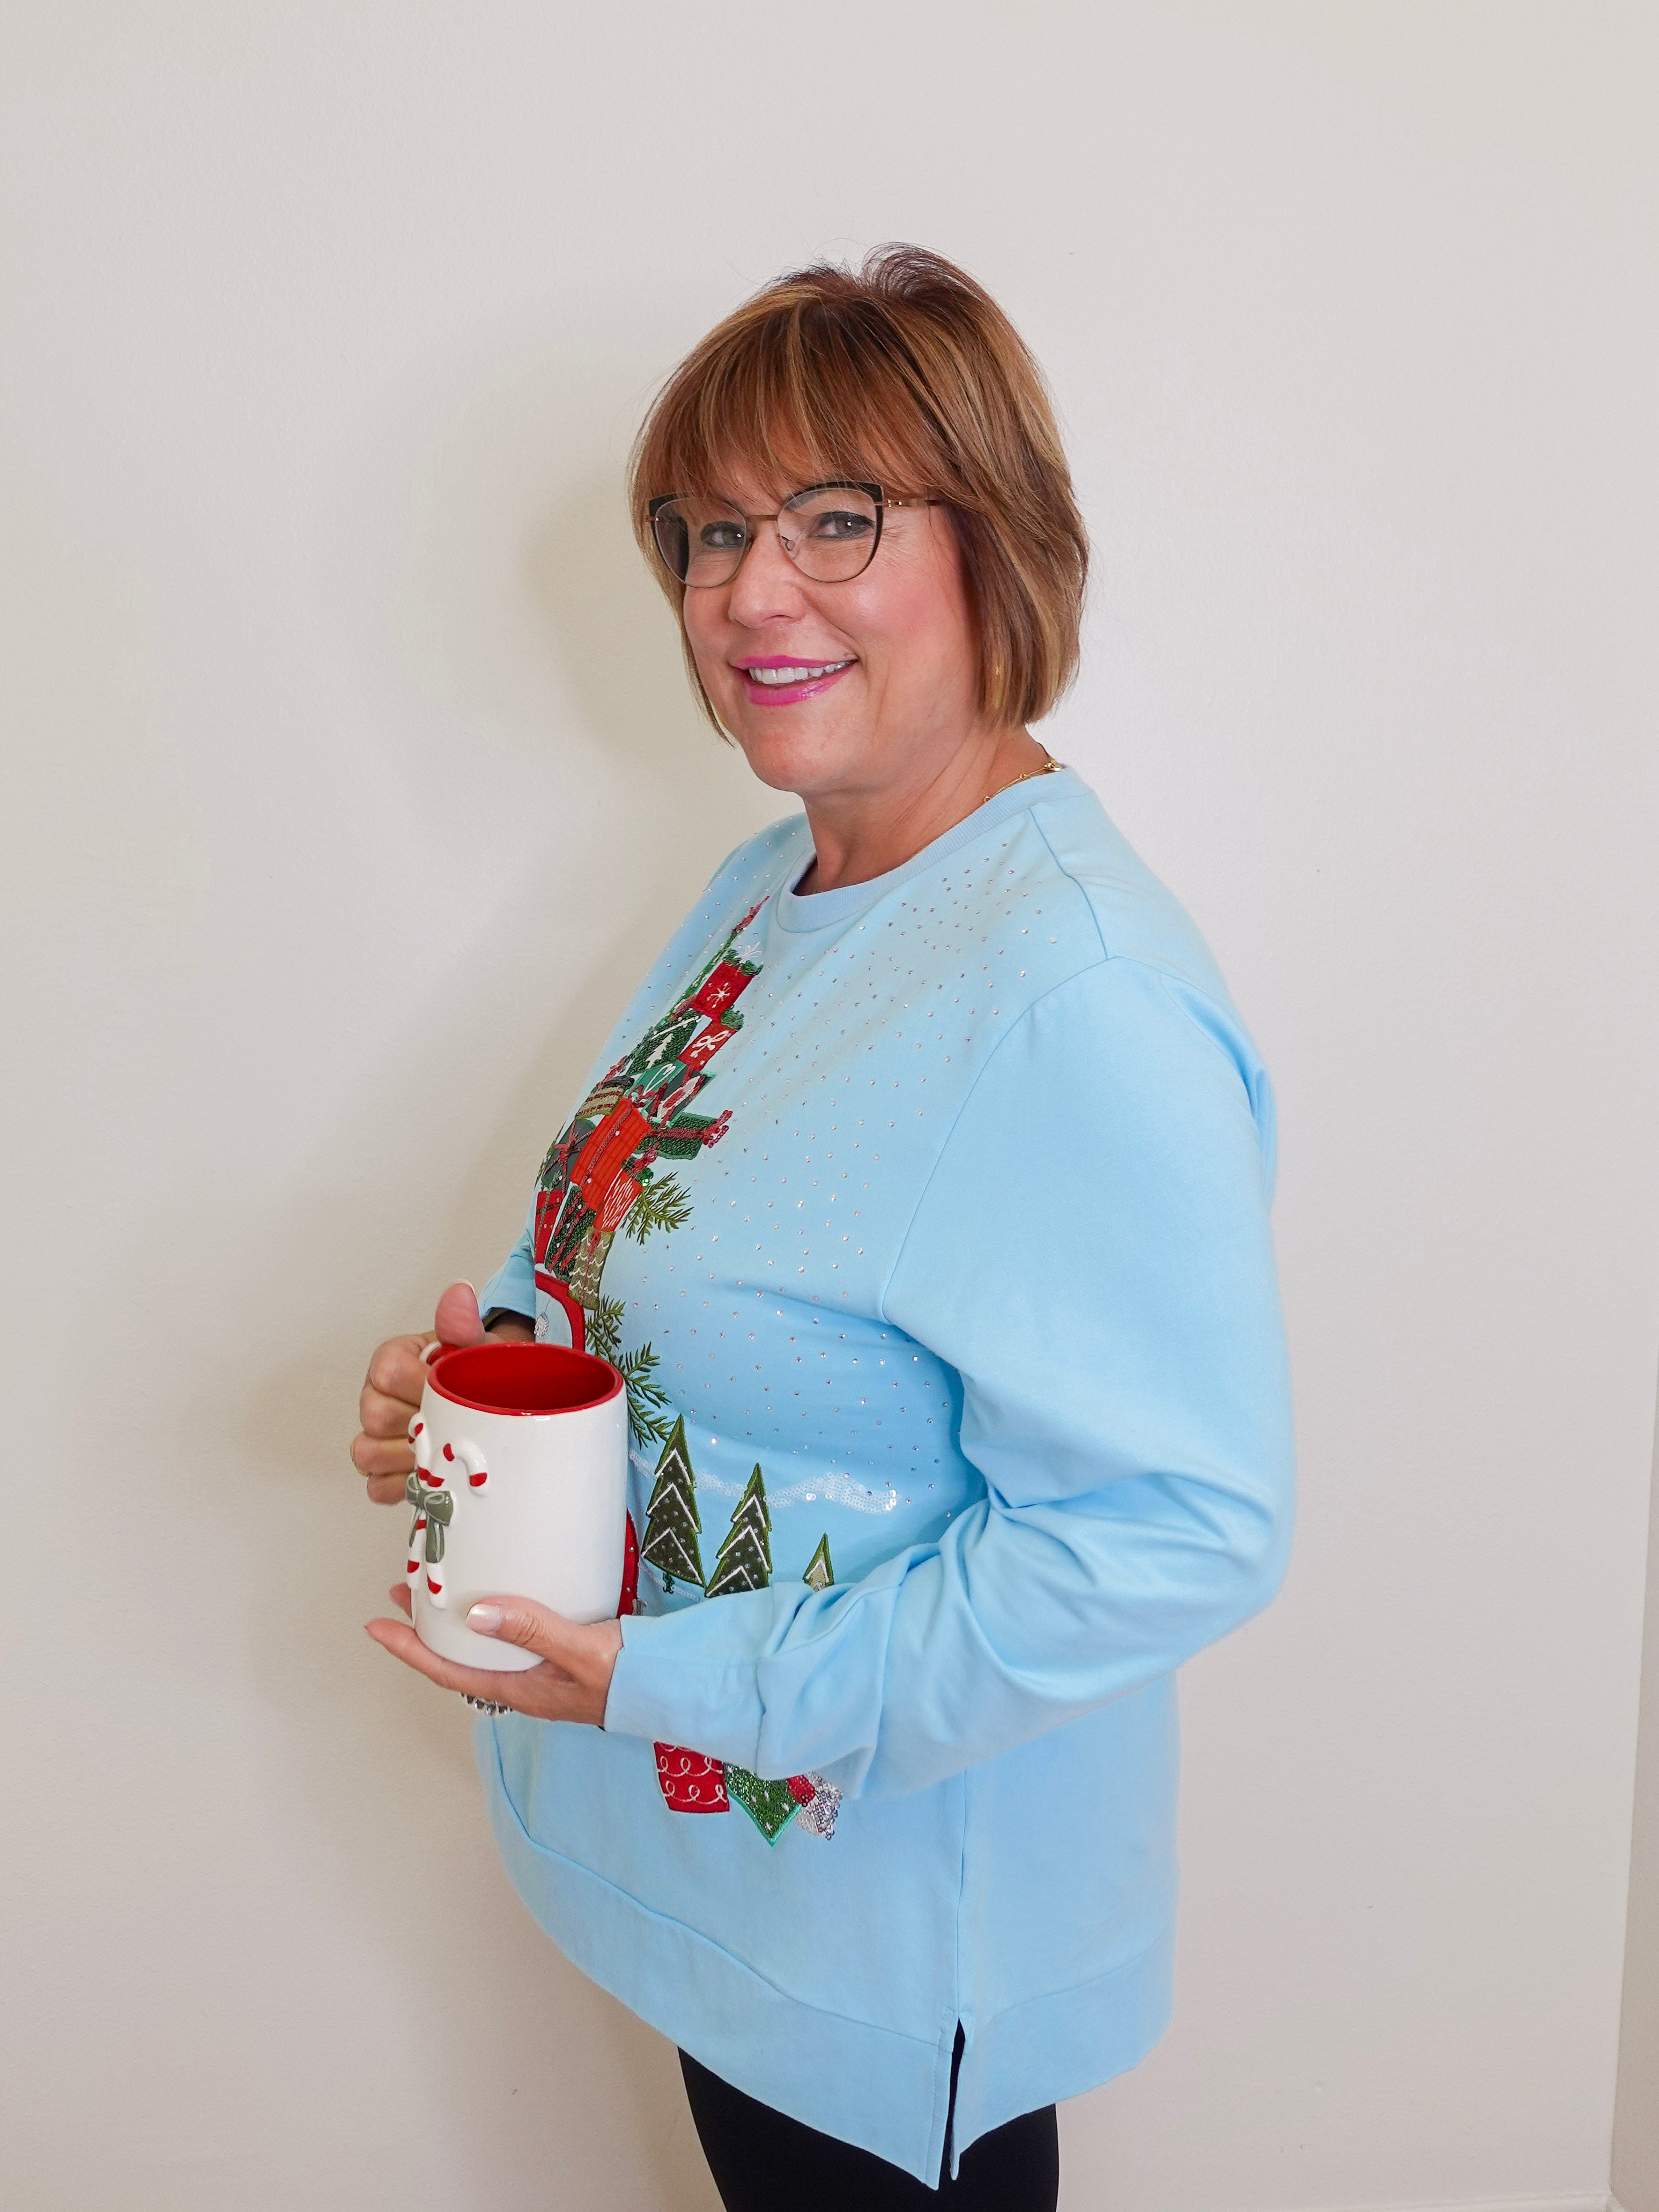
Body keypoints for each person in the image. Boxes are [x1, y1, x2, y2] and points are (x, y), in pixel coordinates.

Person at [353, 245, 1294, 2209]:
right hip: (728, 1910)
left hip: (884, 1977)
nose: (747, 592)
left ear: (998, 544)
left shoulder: (1069, 991)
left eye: (834, 520)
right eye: (708, 536)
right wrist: (483, 1396)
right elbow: (654, 1257)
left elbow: (1172, 1534)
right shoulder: (777, 882)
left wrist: (674, 1685)